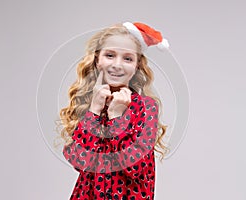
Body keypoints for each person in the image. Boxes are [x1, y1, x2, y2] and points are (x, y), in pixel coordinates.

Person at [59, 22, 170, 200]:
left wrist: (116, 118)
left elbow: (135, 169)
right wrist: (94, 110)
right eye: (110, 55)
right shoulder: (91, 104)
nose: (118, 65)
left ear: (137, 66)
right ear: (97, 60)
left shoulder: (146, 107)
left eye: (128, 58)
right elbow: (79, 161)